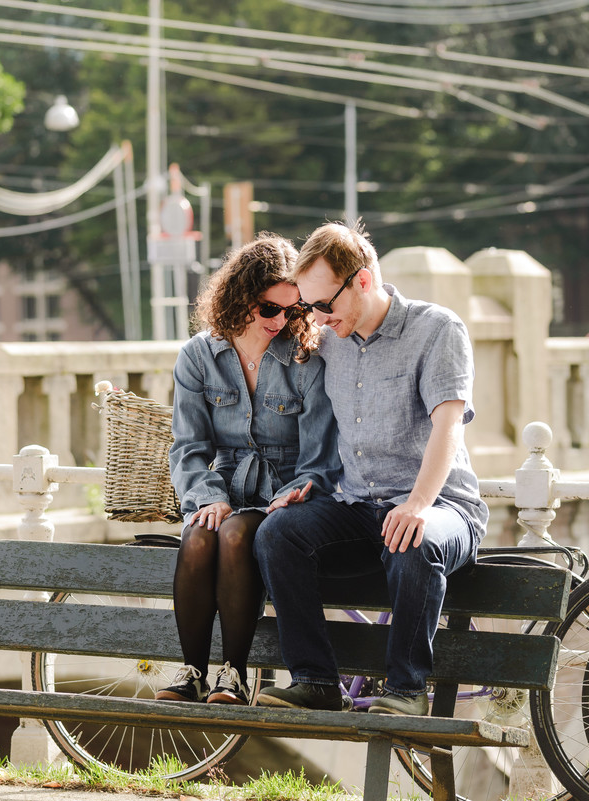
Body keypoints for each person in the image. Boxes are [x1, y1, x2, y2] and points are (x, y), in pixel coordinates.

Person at [253, 220, 489, 715]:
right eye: (308, 307)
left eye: (323, 305)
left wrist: (418, 505)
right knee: (278, 533)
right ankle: (315, 681)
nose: (315, 319)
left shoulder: (437, 330)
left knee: (411, 537)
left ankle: (406, 692)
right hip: (360, 508)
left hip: (442, 509)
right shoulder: (331, 340)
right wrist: (309, 482)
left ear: (361, 280)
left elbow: (449, 428)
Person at [155, 232, 341, 706]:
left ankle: (234, 675)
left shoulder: (307, 359)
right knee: (198, 534)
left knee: (237, 533)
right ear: (240, 298)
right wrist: (207, 497)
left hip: (283, 495)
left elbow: (320, 456)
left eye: (293, 310)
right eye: (269, 309)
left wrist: (299, 490)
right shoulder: (199, 356)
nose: (282, 321)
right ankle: (192, 671)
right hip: (225, 487)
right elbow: (189, 448)